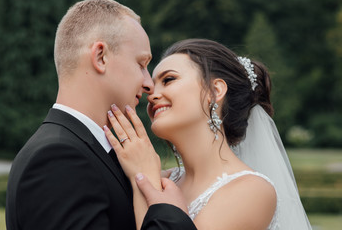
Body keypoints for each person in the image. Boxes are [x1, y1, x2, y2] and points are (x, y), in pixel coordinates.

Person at [5, 0, 196, 230]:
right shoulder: (58, 159)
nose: (149, 84)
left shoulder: (83, 151)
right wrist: (171, 215)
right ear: (100, 57)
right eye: (140, 64)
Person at [104, 39, 312, 229]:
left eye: (168, 80)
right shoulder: (161, 178)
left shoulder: (251, 191)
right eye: (152, 88)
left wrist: (142, 179)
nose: (152, 96)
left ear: (216, 91)